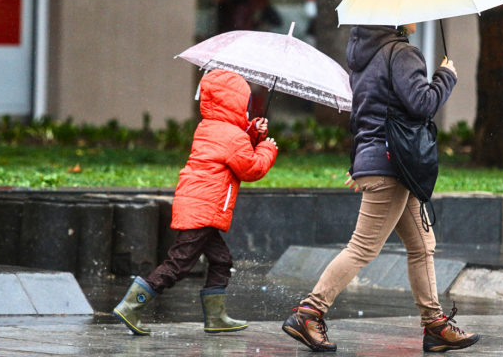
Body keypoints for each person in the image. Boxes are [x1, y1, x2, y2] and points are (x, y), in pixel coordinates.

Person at [282, 24, 479, 352]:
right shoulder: (401, 53)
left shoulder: (365, 57)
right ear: (396, 18)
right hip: (392, 165)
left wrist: (359, 161)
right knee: (363, 248)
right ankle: (309, 311)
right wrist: (446, 76)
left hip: (386, 163)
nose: (417, 18)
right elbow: (422, 104)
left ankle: (435, 326)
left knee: (421, 245)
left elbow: (361, 115)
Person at [113, 70, 278, 335]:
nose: (247, 110)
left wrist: (252, 130)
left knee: (221, 260)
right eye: (245, 105)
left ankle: (216, 318)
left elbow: (232, 143)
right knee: (178, 264)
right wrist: (266, 147)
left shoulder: (209, 127)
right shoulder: (233, 138)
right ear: (235, 103)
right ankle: (132, 306)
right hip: (205, 209)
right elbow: (251, 168)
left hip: (196, 204)